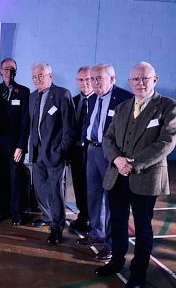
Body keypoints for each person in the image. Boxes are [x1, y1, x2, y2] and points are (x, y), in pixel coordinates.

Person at [96, 62, 176, 287]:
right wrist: (117, 160)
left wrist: (134, 164)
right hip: (117, 176)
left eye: (145, 78)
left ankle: (138, 272)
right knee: (118, 224)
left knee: (143, 229)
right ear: (129, 81)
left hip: (146, 178)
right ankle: (117, 261)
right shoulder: (122, 107)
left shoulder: (168, 107)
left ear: (155, 80)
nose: (140, 83)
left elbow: (166, 142)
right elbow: (108, 138)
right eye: (135, 79)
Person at [76, 63, 132, 261]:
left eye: (99, 78)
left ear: (112, 79)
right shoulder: (92, 98)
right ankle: (97, 232)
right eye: (92, 78)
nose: (95, 82)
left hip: (111, 155)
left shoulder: (124, 99)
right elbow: (89, 123)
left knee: (111, 201)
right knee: (93, 195)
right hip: (92, 151)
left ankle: (110, 244)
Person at [28, 61, 76, 244]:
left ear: (50, 75)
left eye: (41, 75)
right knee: (40, 190)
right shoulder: (32, 97)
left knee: (56, 192)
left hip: (55, 154)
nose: (37, 79)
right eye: (34, 76)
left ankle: (57, 228)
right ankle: (47, 216)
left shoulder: (62, 94)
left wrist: (61, 151)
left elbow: (69, 128)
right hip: (37, 154)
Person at [0, 58, 30, 226]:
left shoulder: (23, 91)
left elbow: (25, 122)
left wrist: (21, 145)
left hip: (15, 145)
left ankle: (17, 213)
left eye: (12, 69)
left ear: (16, 72)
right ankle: (0, 210)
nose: (8, 72)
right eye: (5, 69)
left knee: (15, 179)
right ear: (0, 71)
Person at [69, 67, 97, 233]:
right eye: (81, 80)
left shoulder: (99, 101)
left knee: (93, 187)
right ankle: (83, 215)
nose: (85, 83)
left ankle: (94, 220)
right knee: (79, 186)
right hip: (76, 153)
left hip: (93, 152)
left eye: (88, 79)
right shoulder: (72, 101)